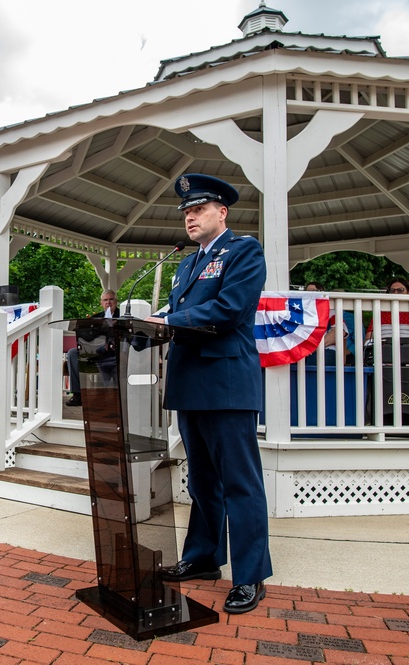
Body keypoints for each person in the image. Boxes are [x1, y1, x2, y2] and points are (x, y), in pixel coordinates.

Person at [144, 173, 271, 615]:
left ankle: (251, 575)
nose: (190, 217)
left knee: (240, 483)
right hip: (190, 384)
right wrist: (140, 331)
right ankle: (202, 557)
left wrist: (168, 323)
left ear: (223, 212)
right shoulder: (186, 264)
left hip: (227, 384)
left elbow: (228, 310)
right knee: (201, 481)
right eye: (186, 212)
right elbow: (176, 317)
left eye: (198, 209)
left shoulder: (244, 251)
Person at [65, 290, 121, 406]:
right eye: (105, 300)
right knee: (73, 353)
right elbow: (87, 336)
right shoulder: (95, 318)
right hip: (95, 351)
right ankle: (78, 394)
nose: (108, 302)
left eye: (111, 299)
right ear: (101, 303)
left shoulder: (122, 316)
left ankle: (113, 397)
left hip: (113, 352)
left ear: (116, 302)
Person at [304, 282, 348, 365]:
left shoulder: (331, 310)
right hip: (302, 351)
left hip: (325, 349)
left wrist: (314, 348)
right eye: (308, 291)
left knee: (318, 360)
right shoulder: (300, 312)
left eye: (314, 291)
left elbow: (338, 332)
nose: (310, 294)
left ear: (322, 292)